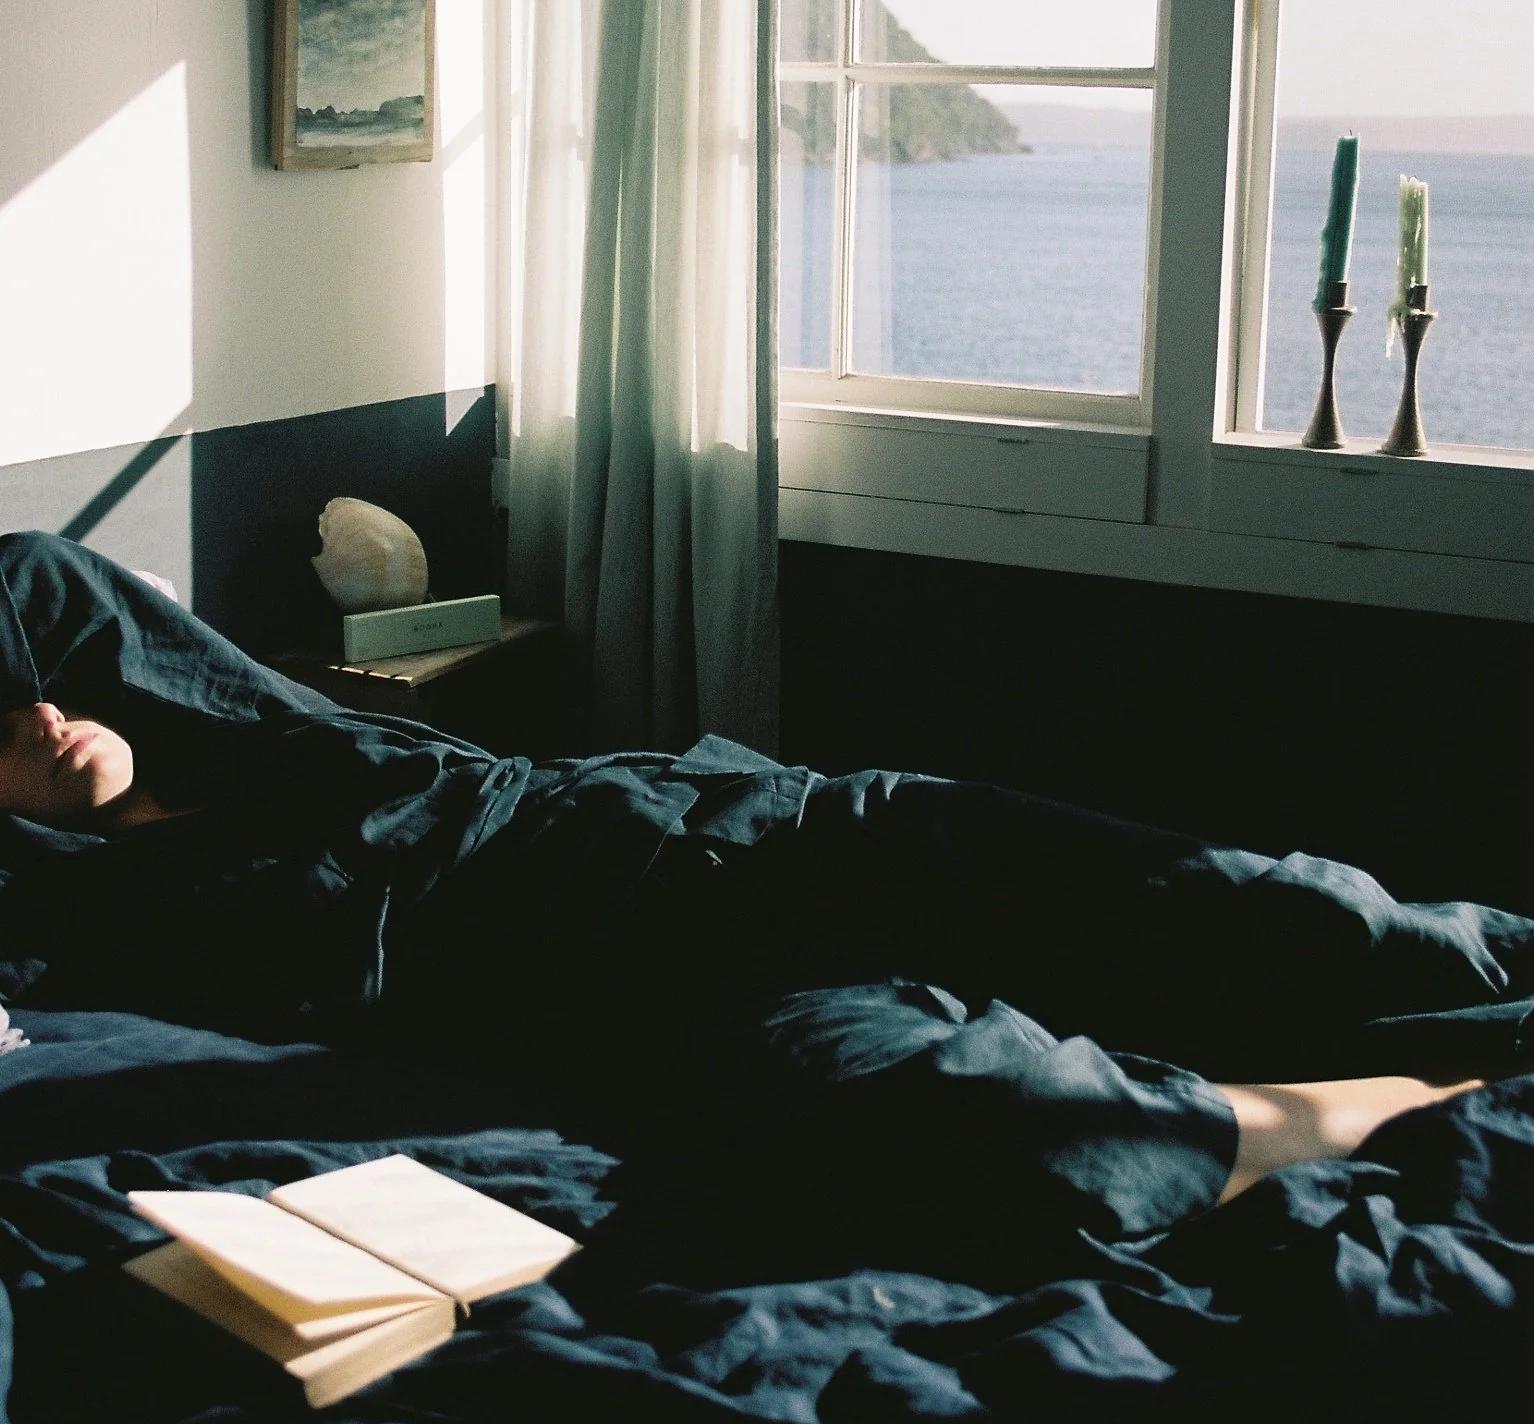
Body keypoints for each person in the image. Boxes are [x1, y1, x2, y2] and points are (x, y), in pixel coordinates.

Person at [0, 530, 1521, 1283]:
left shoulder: (237, 721)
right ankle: (1392, 1098)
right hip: (663, 1000)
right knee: (994, 1141)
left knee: (1279, 916)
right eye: (1, 755)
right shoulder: (111, 927)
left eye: (16, 707)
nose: (41, 730)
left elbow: (29, 573)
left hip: (773, 832)